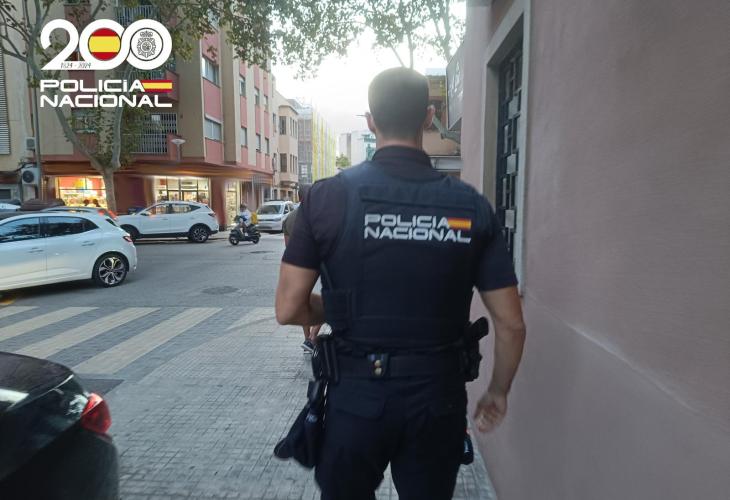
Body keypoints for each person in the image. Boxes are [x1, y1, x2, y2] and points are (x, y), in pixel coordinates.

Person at [275, 67, 526, 500]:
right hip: (438, 400)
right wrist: (498, 391)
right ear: (428, 117)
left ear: (370, 121)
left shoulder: (327, 198)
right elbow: (511, 324)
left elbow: (288, 309)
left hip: (355, 401)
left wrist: (343, 307)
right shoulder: (470, 206)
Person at [282, 185, 314, 352]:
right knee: (330, 301)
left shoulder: (289, 218)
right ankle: (313, 338)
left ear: (299, 197)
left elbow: (288, 248)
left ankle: (307, 338)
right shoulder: (319, 215)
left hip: (298, 267)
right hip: (319, 265)